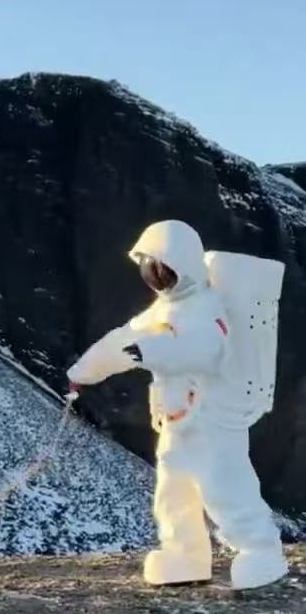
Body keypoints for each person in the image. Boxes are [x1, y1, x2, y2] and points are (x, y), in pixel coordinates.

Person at [68, 220, 287, 591]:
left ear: (181, 265)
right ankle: (185, 554)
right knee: (173, 493)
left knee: (224, 486)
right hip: (176, 423)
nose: (154, 275)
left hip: (213, 419)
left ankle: (261, 550)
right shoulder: (162, 310)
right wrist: (83, 372)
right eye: (149, 267)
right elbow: (121, 341)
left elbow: (206, 349)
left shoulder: (207, 306)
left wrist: (149, 350)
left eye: (160, 267)